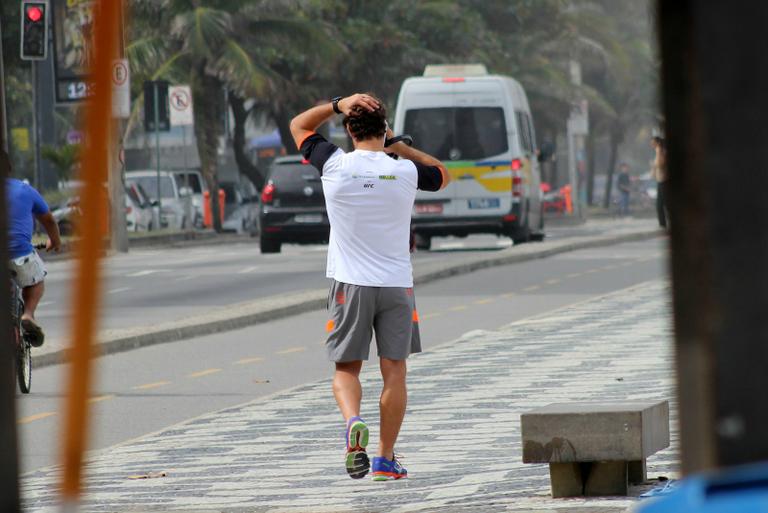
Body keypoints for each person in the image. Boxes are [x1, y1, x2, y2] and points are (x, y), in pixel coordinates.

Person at [290, 93, 449, 481]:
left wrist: (337, 102)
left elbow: (299, 125)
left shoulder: (334, 164)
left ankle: (352, 423)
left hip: (350, 285)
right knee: (394, 371)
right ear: (385, 129)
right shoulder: (406, 171)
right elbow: (441, 174)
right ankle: (384, 458)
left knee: (346, 368)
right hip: (396, 285)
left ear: (348, 129)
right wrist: (396, 144)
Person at [3, 150, 61, 346]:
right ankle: (28, 315)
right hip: (20, 254)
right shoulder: (24, 190)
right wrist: (55, 241)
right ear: (9, 168)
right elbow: (49, 221)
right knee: (36, 279)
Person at [651, 136, 669, 228]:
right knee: (659, 204)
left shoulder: (662, 152)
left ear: (658, 143)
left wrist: (658, 151)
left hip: (664, 181)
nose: (651, 144)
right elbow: (655, 167)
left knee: (665, 204)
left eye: (653, 142)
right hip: (660, 181)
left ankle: (665, 223)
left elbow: (660, 164)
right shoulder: (658, 152)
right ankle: (662, 224)